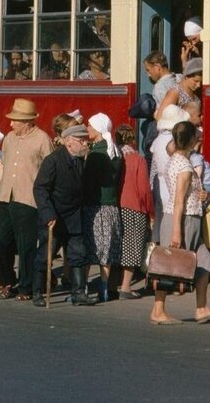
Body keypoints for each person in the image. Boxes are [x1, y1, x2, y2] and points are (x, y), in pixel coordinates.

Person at [150, 120, 210, 325]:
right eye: (196, 137)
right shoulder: (183, 165)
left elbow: (172, 145)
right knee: (168, 265)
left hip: (189, 217)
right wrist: (176, 232)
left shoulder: (176, 157)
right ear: (191, 140)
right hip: (183, 220)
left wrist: (198, 193)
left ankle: (201, 308)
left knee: (204, 263)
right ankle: (158, 310)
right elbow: (178, 201)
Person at [0, 98, 54, 301]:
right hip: (5, 196)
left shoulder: (42, 139)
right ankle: (7, 281)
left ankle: (26, 286)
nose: (11, 124)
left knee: (26, 245)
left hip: (28, 198)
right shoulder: (9, 138)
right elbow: (4, 167)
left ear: (27, 121)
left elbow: (49, 170)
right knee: (0, 242)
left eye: (15, 121)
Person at [32, 122, 95, 307]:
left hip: (74, 216)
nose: (85, 144)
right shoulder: (52, 161)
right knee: (45, 255)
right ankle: (37, 292)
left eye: (85, 140)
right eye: (81, 140)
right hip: (54, 216)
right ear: (69, 142)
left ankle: (78, 293)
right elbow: (40, 189)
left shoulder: (81, 160)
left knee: (77, 254)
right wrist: (48, 213)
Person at [83, 112, 122, 302]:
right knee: (106, 250)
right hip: (111, 206)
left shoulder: (96, 154)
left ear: (98, 129)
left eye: (90, 126)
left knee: (91, 248)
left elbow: (88, 182)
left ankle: (82, 288)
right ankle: (105, 288)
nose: (87, 129)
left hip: (95, 206)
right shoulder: (115, 151)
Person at [115, 123, 152, 299]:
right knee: (132, 245)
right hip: (134, 206)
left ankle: (111, 282)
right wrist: (150, 211)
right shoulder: (137, 159)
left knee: (117, 245)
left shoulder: (114, 156)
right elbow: (144, 188)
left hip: (115, 205)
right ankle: (125, 287)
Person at [150, 104, 191, 244]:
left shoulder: (157, 140)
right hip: (173, 180)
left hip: (161, 180)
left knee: (162, 217)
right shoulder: (171, 142)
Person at [157, 57, 202, 125]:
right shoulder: (175, 92)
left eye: (200, 82)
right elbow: (160, 117)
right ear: (186, 76)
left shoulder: (195, 91)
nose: (198, 85)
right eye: (196, 81)